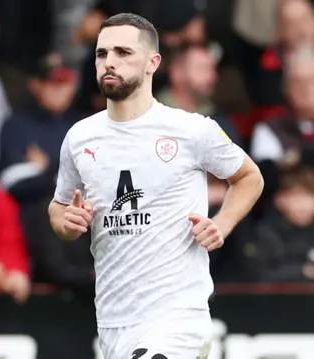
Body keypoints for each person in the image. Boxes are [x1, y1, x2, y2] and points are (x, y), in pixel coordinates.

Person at [47, 13, 263, 359]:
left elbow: (250, 177)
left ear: (153, 63)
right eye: (102, 54)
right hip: (114, 318)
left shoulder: (191, 129)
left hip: (177, 316)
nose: (109, 62)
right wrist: (66, 222)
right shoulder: (79, 137)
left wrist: (221, 224)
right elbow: (59, 207)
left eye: (123, 53)